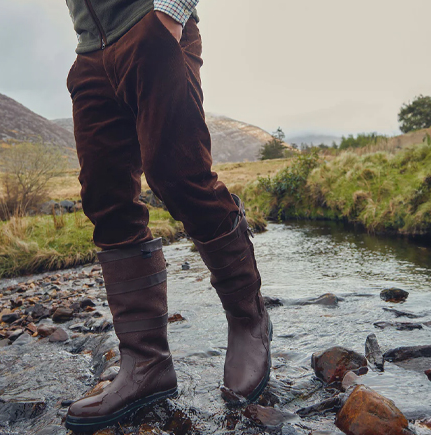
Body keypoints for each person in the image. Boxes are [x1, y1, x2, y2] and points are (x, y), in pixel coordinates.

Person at [62, 0, 272, 431]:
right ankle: (146, 363)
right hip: (91, 53)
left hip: (151, 25)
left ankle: (249, 320)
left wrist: (169, 13)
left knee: (178, 173)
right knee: (106, 199)